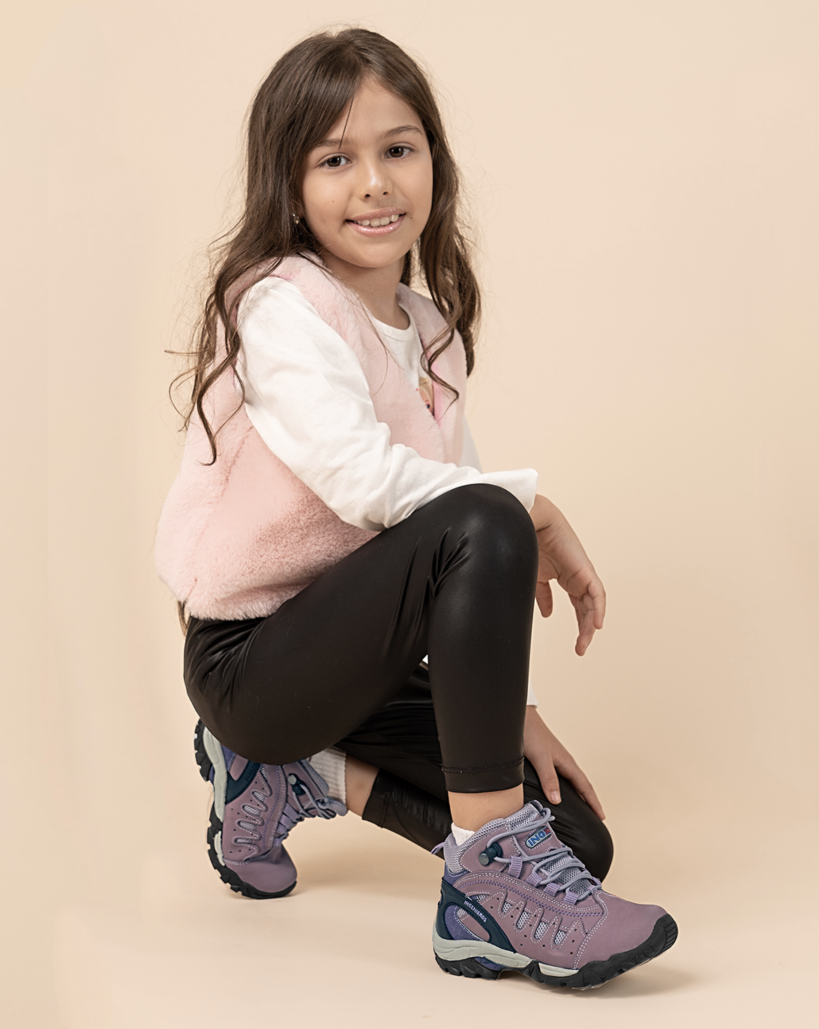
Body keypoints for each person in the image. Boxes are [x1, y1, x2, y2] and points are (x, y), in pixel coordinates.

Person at [155, 27, 677, 989]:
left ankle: (302, 776)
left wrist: (514, 714)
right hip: (251, 663)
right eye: (334, 160)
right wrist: (535, 509)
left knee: (577, 840)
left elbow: (451, 528)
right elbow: (376, 486)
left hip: (361, 658)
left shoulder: (431, 331)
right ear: (288, 184)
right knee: (490, 515)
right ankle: (483, 888)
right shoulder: (280, 308)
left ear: (435, 160)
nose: (374, 183)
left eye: (398, 149)